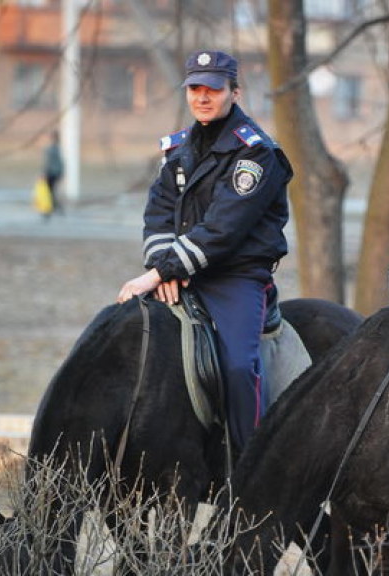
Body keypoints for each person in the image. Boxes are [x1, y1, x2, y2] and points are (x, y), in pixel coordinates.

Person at [117, 50, 293, 455]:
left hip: (236, 277)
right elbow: (159, 213)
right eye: (195, 88)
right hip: (181, 271)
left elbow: (223, 229)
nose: (202, 97)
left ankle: (250, 466)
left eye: (213, 89)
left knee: (237, 365)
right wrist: (167, 268)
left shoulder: (256, 153)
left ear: (234, 91)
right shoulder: (178, 149)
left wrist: (158, 274)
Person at [43, 130, 64, 215]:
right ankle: (55, 208)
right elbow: (61, 162)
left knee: (50, 192)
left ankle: (51, 209)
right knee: (51, 191)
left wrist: (44, 173)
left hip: (51, 173)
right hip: (55, 173)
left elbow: (48, 162)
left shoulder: (52, 149)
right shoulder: (58, 149)